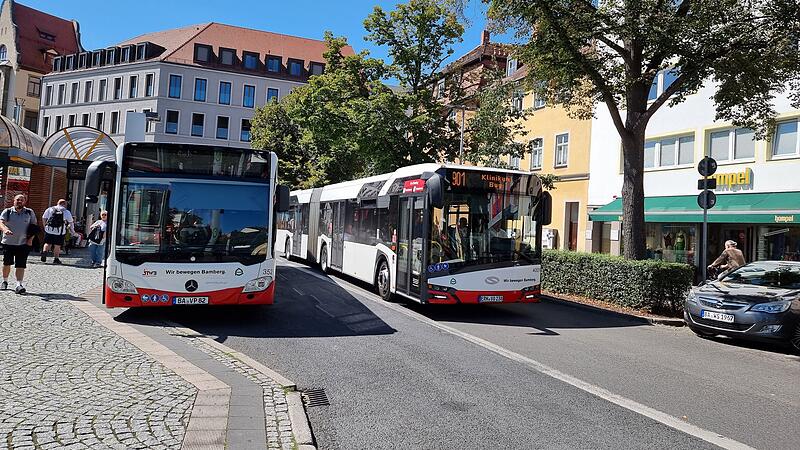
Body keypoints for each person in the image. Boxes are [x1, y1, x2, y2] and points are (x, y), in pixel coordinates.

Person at [0, 194, 37, 294]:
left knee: (21, 265)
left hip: (23, 243)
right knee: (7, 263)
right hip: (8, 242)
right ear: (14, 200)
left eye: (21, 200)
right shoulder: (7, 211)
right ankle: (5, 281)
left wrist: (30, 239)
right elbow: (1, 223)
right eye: (17, 200)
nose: (19, 201)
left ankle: (19, 284)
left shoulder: (29, 212)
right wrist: (5, 229)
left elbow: (34, 227)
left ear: (24, 201)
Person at [41, 199, 74, 264]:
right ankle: (56, 259)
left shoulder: (50, 209)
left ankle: (44, 252)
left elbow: (44, 217)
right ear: (64, 204)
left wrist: (45, 226)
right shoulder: (66, 212)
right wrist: (72, 231)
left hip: (49, 230)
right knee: (57, 245)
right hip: (60, 231)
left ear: (57, 203)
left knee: (47, 243)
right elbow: (71, 222)